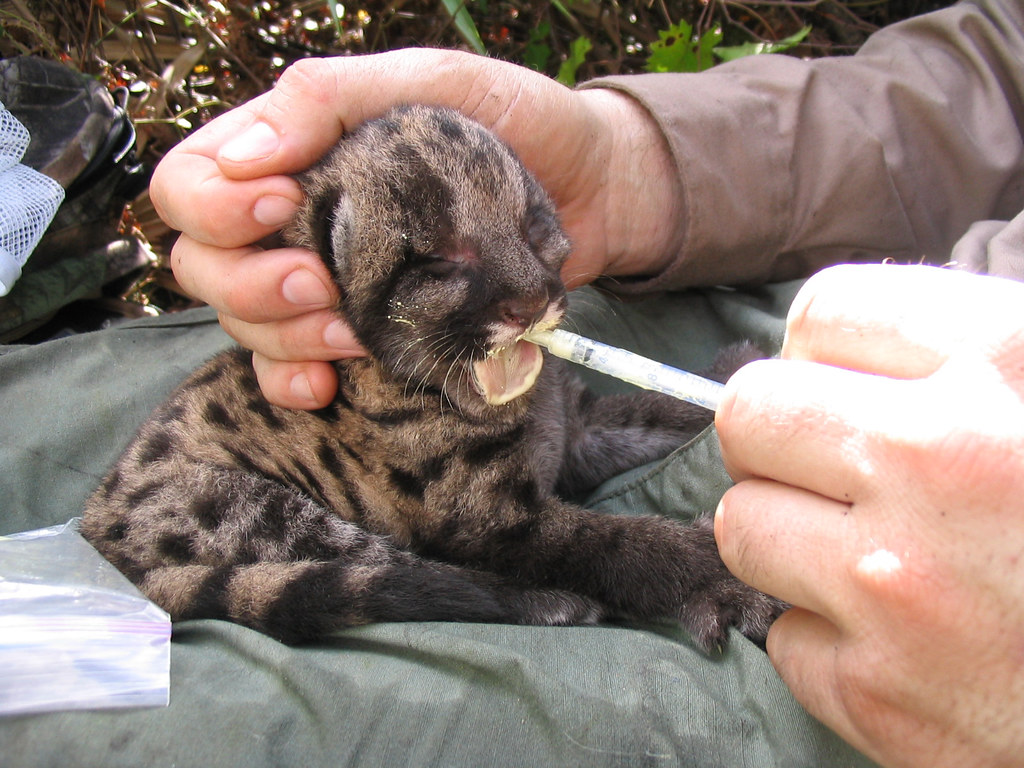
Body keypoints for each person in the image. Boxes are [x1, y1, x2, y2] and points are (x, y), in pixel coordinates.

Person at [2, 0, 1016, 766]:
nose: (536, 290)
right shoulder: (386, 367)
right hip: (221, 520)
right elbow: (491, 522)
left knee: (96, 725)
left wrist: (676, 528)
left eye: (535, 228)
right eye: (445, 265)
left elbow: (517, 496)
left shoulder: (468, 344)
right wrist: (629, 160)